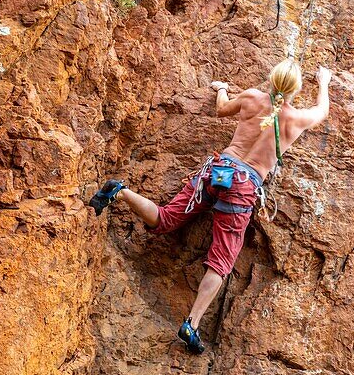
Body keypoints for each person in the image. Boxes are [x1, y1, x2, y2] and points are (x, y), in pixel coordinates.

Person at [88, 60, 332, 353]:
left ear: (270, 79)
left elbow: (222, 108)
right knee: (220, 261)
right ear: (295, 89)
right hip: (243, 185)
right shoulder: (296, 119)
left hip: (218, 170)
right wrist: (324, 82)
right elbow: (322, 111)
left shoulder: (252, 97)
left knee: (165, 219)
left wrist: (222, 89)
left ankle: (122, 192)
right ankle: (191, 323)